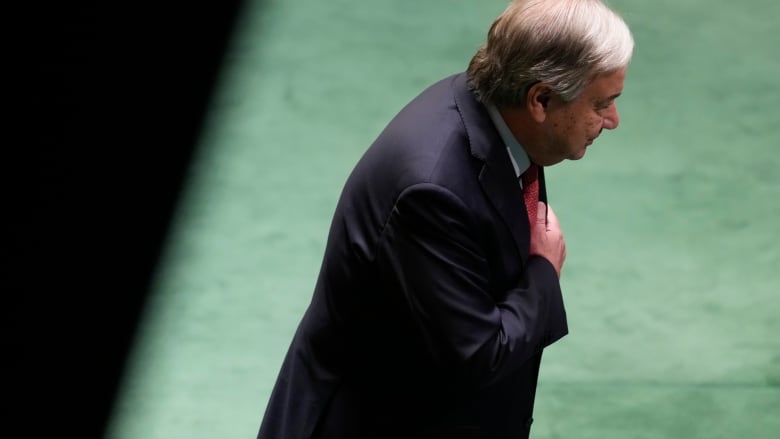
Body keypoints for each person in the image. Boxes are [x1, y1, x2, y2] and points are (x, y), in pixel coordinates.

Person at [257, 0, 634, 437]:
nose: (612, 120)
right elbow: (479, 353)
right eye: (601, 103)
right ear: (541, 99)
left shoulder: (501, 120)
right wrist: (544, 272)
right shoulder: (432, 192)